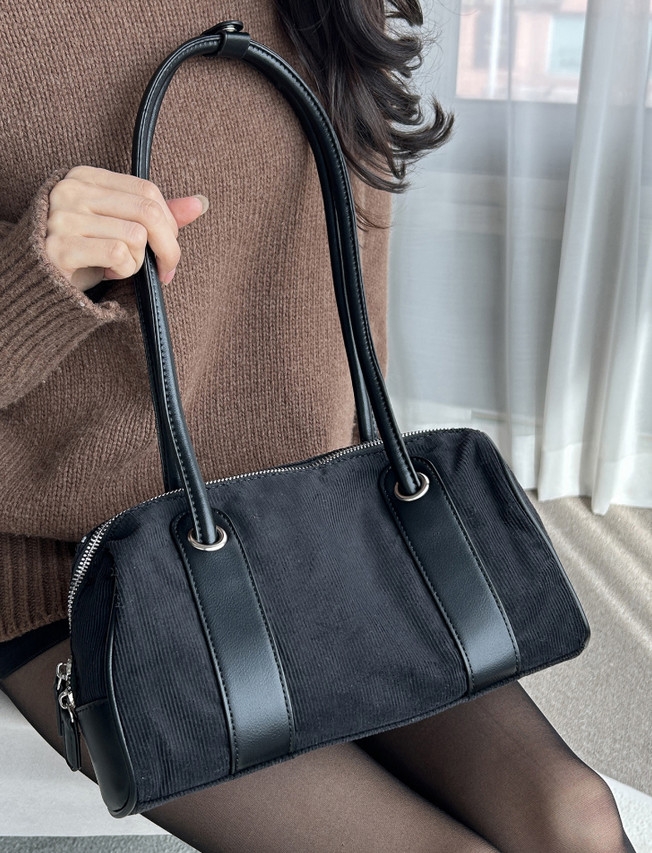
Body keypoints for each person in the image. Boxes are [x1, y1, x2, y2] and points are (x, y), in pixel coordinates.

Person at [0, 1, 637, 850]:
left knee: (575, 815)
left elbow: (343, 313)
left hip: (307, 529)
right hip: (81, 573)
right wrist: (38, 270)